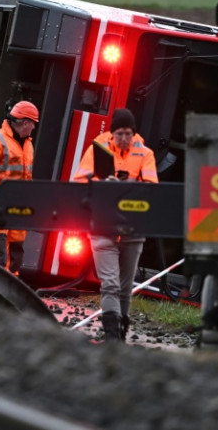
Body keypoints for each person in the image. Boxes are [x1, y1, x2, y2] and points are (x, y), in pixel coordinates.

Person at [72, 108, 158, 343]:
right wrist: (103, 184)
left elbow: (152, 189)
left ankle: (120, 333)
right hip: (101, 225)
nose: (123, 139)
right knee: (110, 283)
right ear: (112, 134)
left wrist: (125, 187)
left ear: (134, 133)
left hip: (132, 227)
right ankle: (112, 336)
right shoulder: (96, 150)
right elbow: (79, 182)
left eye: (128, 133)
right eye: (119, 133)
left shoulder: (145, 154)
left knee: (125, 285)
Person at [0, 100, 38, 274]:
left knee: (15, 257)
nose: (34, 128)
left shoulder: (28, 145)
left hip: (17, 213)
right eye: (33, 124)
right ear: (25, 123)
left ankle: (6, 294)